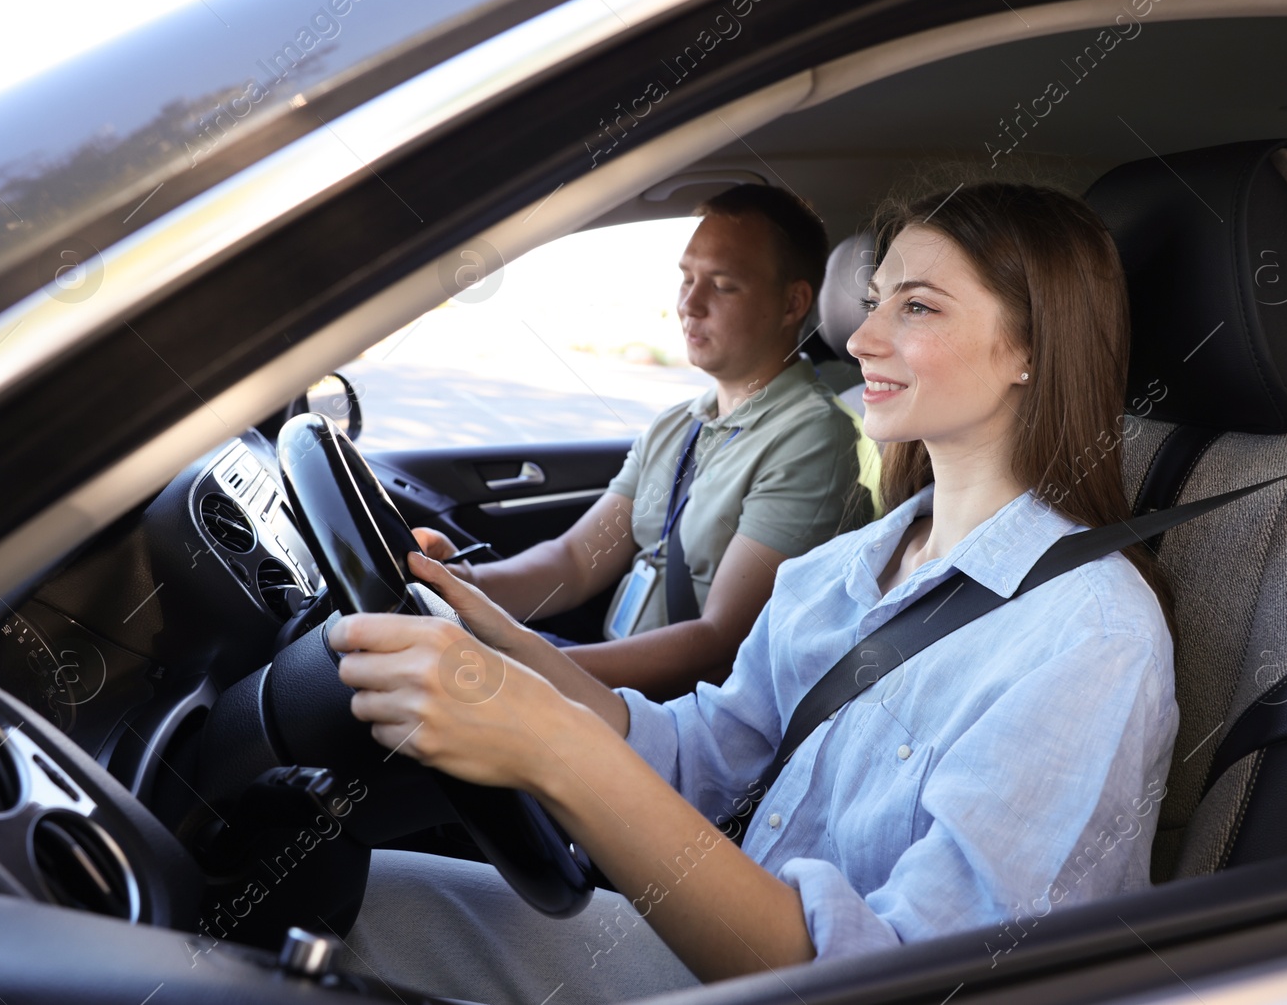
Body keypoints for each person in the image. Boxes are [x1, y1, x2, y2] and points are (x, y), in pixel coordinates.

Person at [331, 183, 1180, 1005]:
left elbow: (912, 982)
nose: (861, 339)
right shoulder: (839, 571)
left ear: (1032, 347)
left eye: (916, 308)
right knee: (335, 894)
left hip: (798, 977)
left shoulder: (1090, 637)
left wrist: (556, 748)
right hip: (713, 941)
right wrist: (509, 646)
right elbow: (708, 754)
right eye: (875, 301)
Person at [414, 184, 871, 700]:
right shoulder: (679, 424)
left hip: (681, 715)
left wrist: (528, 669)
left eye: (722, 286)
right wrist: (459, 583)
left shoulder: (813, 438)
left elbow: (719, 644)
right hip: (604, 680)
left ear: (792, 304)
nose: (689, 304)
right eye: (687, 278)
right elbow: (574, 560)